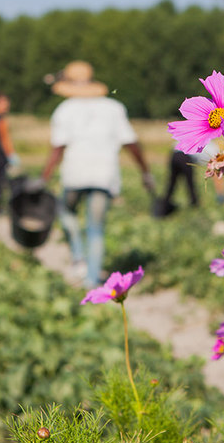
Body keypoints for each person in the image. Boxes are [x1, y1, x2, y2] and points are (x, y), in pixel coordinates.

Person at [40, 61, 154, 288]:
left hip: (75, 173)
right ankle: (92, 281)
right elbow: (131, 143)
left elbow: (58, 149)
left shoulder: (64, 110)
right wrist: (145, 172)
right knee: (96, 228)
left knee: (66, 211)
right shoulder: (114, 107)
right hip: (104, 174)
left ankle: (78, 257)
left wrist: (44, 178)